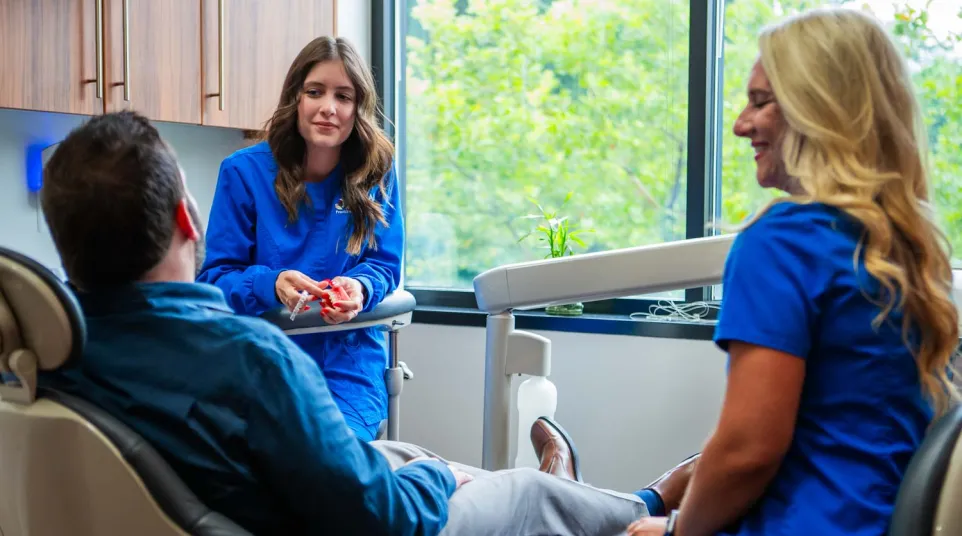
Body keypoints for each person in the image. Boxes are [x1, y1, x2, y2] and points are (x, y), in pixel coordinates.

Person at [37, 110, 698, 535]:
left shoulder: (51, 354)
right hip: (338, 521)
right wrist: (439, 485)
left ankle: (568, 495)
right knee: (510, 488)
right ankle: (645, 506)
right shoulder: (243, 358)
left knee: (410, 453)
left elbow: (383, 266)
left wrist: (423, 470)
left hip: (254, 491)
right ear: (189, 220)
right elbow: (387, 518)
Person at [627, 7, 959, 536]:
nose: (739, 125)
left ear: (818, 110)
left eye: (760, 102)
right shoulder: (907, 251)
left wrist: (675, 534)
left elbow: (746, 452)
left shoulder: (783, 242)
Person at [196, 36, 401, 441]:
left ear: (358, 108)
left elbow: (385, 265)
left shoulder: (378, 170)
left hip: (347, 364)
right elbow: (215, 278)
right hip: (263, 363)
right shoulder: (243, 172)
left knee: (327, 461)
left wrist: (359, 286)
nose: (329, 107)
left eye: (344, 96)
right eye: (315, 92)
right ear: (296, 98)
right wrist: (270, 283)